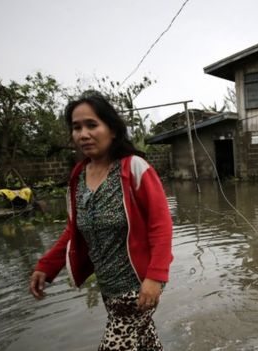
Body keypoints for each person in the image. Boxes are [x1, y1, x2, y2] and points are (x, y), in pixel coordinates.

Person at [29, 91, 173, 351]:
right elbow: (75, 231)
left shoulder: (134, 168)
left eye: (92, 125)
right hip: (109, 289)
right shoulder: (78, 177)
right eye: (76, 127)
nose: (83, 134)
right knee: (145, 344)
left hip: (137, 287)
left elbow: (161, 226)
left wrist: (155, 277)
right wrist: (47, 266)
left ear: (113, 130)